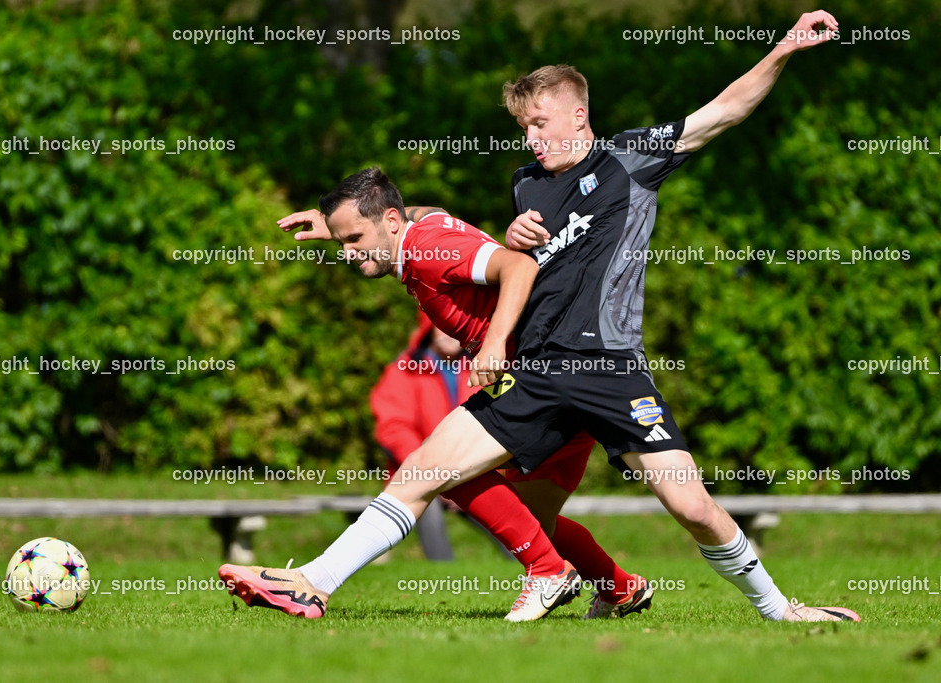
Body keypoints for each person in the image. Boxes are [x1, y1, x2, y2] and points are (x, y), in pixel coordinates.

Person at [221, 9, 858, 623]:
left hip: (609, 368)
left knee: (692, 508)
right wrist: (345, 227)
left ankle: (780, 609)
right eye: (524, 126)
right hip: (537, 370)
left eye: (540, 123)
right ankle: (313, 584)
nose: (531, 138)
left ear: (579, 116)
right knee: (428, 473)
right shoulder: (527, 183)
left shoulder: (629, 160)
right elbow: (425, 223)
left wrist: (784, 49)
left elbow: (725, 111)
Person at [222, 181, 649, 621]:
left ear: (391, 221)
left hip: (539, 379)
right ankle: (619, 588)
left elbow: (519, 266)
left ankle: (314, 583)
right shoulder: (421, 228)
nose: (347, 252)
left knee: (434, 469)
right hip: (569, 380)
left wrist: (494, 343)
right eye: (343, 241)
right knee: (533, 519)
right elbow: (422, 210)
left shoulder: (427, 249)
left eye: (355, 238)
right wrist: (340, 226)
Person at [370, 317, 471, 561]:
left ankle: (534, 569)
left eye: (456, 327)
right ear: (429, 329)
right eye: (442, 326)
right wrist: (434, 476)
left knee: (509, 517)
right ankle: (444, 574)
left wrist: (466, 476)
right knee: (424, 504)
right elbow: (393, 429)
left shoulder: (483, 366)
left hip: (471, 473)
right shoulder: (405, 368)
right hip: (417, 475)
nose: (449, 334)